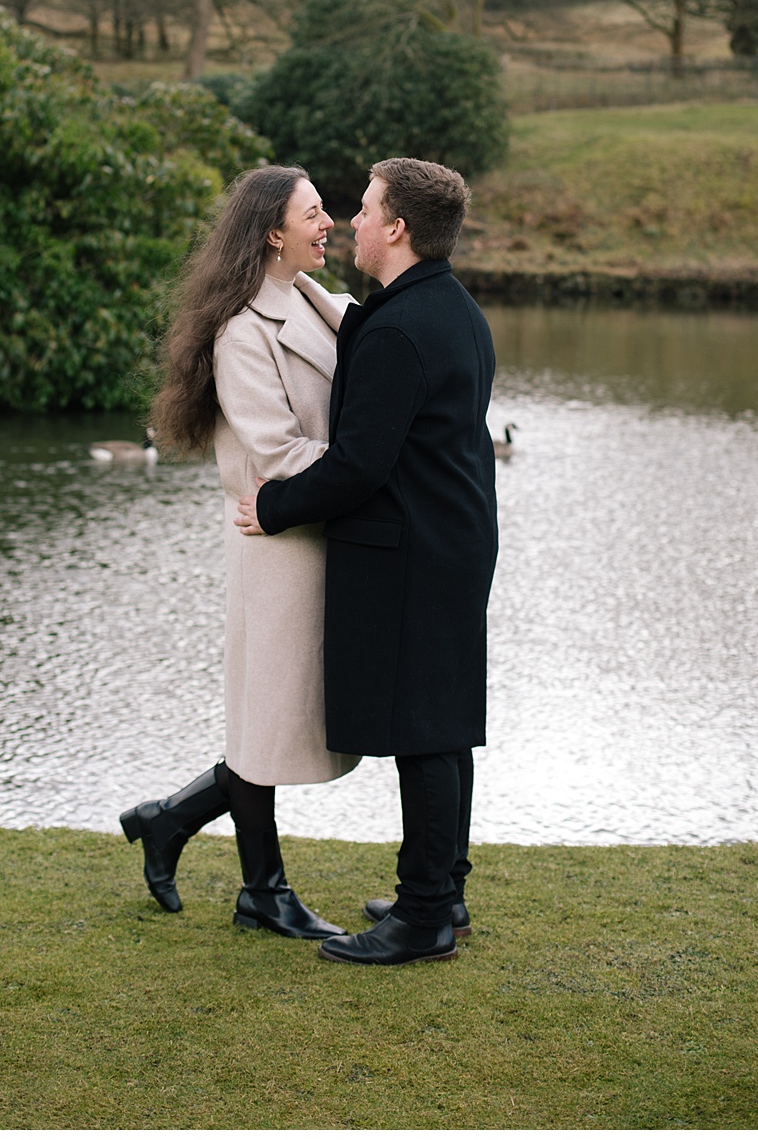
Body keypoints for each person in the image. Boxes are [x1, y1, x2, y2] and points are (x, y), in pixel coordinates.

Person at [235, 157, 498, 966]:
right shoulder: (451, 307)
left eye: (366, 206)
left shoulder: (395, 330)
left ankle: (422, 918)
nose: (352, 219)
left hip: (412, 548)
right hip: (455, 538)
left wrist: (273, 508)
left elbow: (358, 465)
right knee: (445, 726)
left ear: (398, 228)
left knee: (423, 732)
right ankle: (444, 893)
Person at [119, 164, 359, 940]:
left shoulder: (316, 299)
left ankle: (170, 820)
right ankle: (262, 891)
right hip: (279, 545)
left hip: (315, 532)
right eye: (314, 212)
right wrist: (374, 465)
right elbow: (278, 452)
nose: (329, 223)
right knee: (268, 722)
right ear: (272, 232)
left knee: (280, 719)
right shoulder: (242, 334)